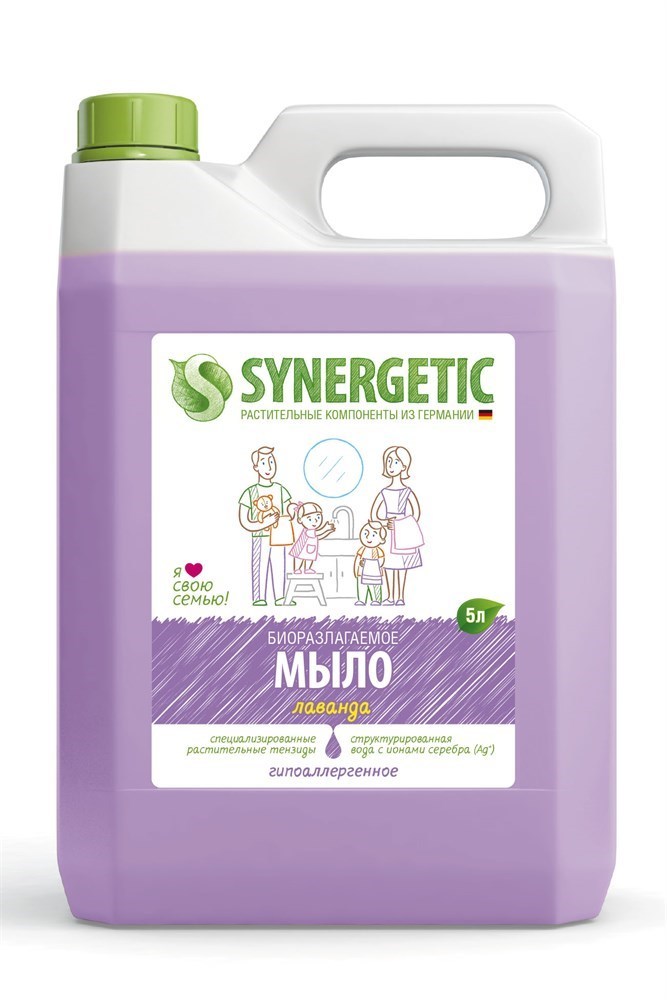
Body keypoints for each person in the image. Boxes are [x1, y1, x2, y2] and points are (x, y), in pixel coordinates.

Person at [238, 446, 293, 606]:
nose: (269, 467)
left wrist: (293, 510)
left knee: (279, 565)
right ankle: (259, 598)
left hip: (279, 536)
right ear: (256, 467)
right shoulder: (250, 492)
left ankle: (280, 597)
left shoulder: (281, 490)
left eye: (271, 461)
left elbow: (288, 509)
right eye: (263, 462)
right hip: (260, 537)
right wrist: (264, 523)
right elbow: (244, 521)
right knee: (260, 567)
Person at [370, 445, 423, 606]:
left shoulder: (407, 491)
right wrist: (384, 523)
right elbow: (373, 515)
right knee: (388, 564)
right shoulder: (384, 492)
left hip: (403, 534)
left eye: (396, 461)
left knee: (402, 566)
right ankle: (390, 596)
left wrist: (402, 524)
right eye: (389, 461)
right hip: (387, 533)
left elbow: (416, 514)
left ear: (404, 466)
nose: (391, 465)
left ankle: (400, 597)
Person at [289, 501, 335, 573]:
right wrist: (326, 528)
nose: (315, 521)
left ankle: (307, 568)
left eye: (318, 517)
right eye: (310, 519)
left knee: (309, 558)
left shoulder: (313, 531)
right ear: (300, 520)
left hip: (310, 549)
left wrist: (328, 532)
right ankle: (297, 569)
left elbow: (319, 537)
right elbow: (318, 533)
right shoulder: (308, 531)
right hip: (300, 549)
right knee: (299, 558)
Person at [353, 520, 386, 605]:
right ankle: (361, 600)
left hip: (375, 573)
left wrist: (375, 565)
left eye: (373, 535)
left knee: (375, 586)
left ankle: (376, 600)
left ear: (381, 539)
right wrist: (357, 568)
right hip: (362, 572)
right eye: (365, 534)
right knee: (362, 586)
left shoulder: (378, 551)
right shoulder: (362, 549)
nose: (368, 538)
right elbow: (357, 559)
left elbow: (381, 561)